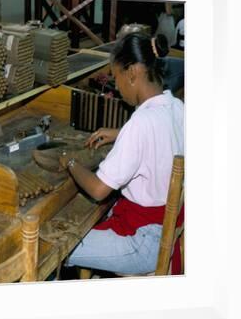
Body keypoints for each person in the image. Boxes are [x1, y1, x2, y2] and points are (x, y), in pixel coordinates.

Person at [60, 32, 184, 275]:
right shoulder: (177, 106)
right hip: (166, 228)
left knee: (58, 247)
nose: (116, 87)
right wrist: (120, 132)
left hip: (143, 241)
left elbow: (98, 189)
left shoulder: (139, 124)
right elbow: (161, 134)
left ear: (132, 73)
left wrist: (70, 162)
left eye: (116, 78)